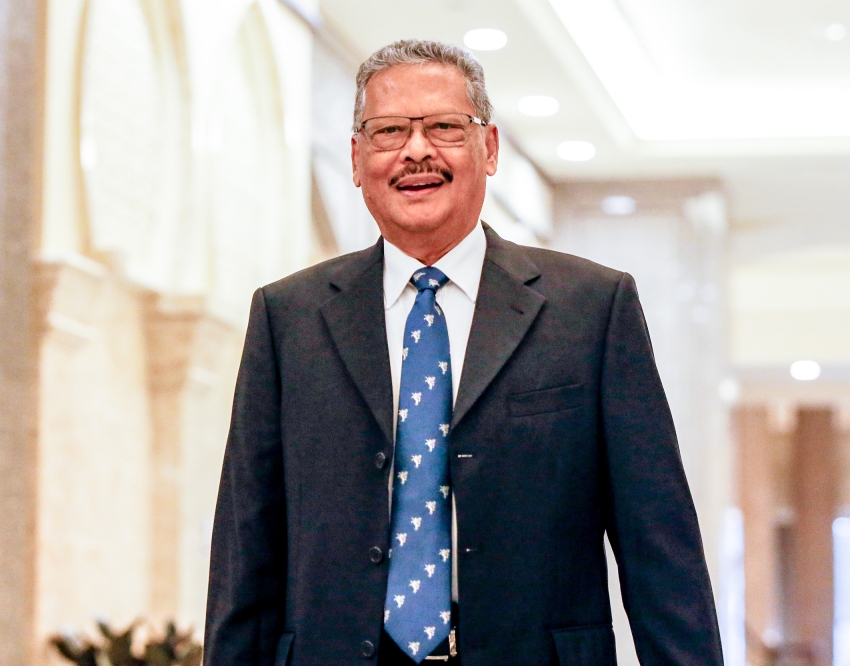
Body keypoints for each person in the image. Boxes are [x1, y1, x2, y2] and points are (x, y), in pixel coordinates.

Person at [204, 39, 723, 666]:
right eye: (388, 131)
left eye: (445, 127)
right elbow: (245, 549)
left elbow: (658, 544)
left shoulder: (591, 308)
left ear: (490, 148)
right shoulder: (289, 318)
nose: (415, 151)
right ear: (356, 156)